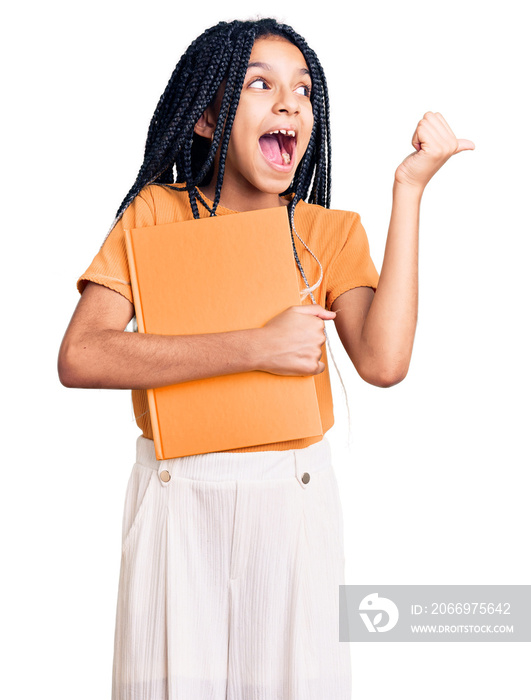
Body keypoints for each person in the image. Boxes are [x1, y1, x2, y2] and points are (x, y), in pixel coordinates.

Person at [58, 17, 474, 700]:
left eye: (303, 90)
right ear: (205, 118)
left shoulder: (326, 232)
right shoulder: (154, 215)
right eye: (260, 84)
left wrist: (409, 189)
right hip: (174, 501)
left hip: (292, 502)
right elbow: (81, 355)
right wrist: (257, 346)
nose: (289, 103)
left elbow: (383, 360)